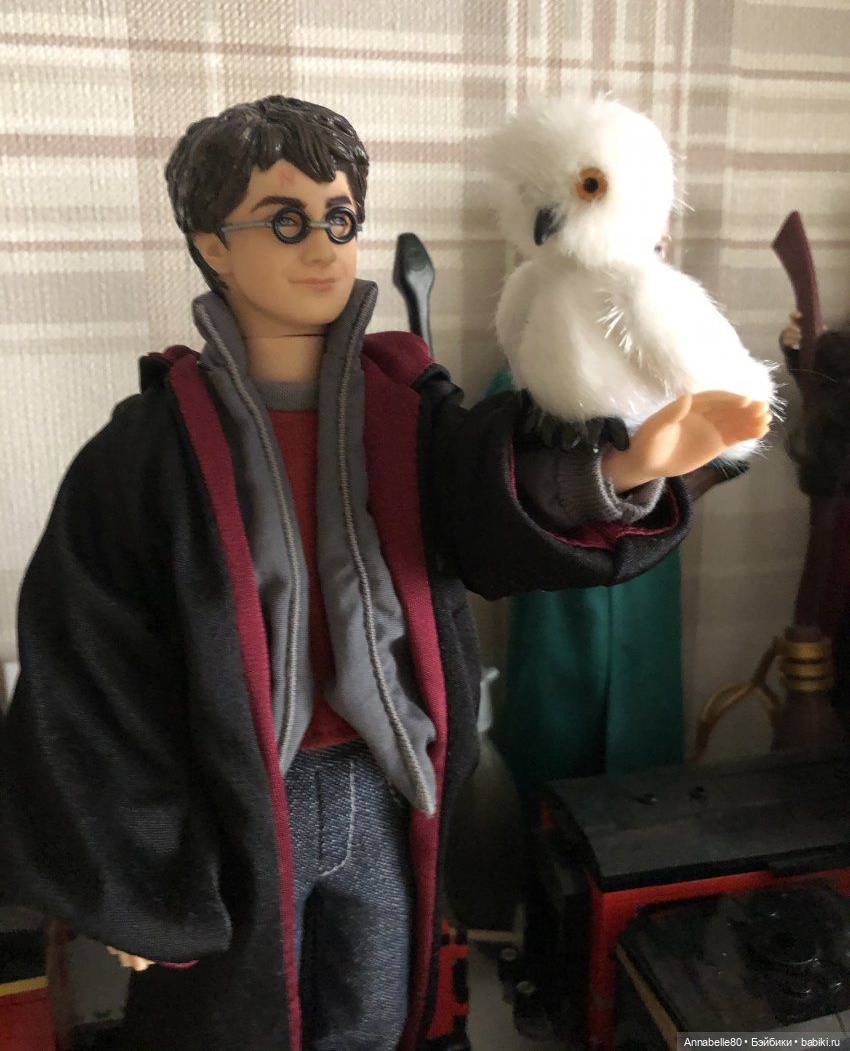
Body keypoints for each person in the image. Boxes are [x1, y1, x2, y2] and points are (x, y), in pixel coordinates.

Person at [0, 95, 768, 1051]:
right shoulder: (148, 451)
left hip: (384, 782)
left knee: (376, 1009)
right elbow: (88, 668)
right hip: (238, 803)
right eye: (285, 222)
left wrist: (620, 469)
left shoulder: (405, 410)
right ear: (211, 243)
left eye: (340, 218)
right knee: (239, 1024)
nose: (324, 247)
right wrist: (131, 881)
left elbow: (494, 500)